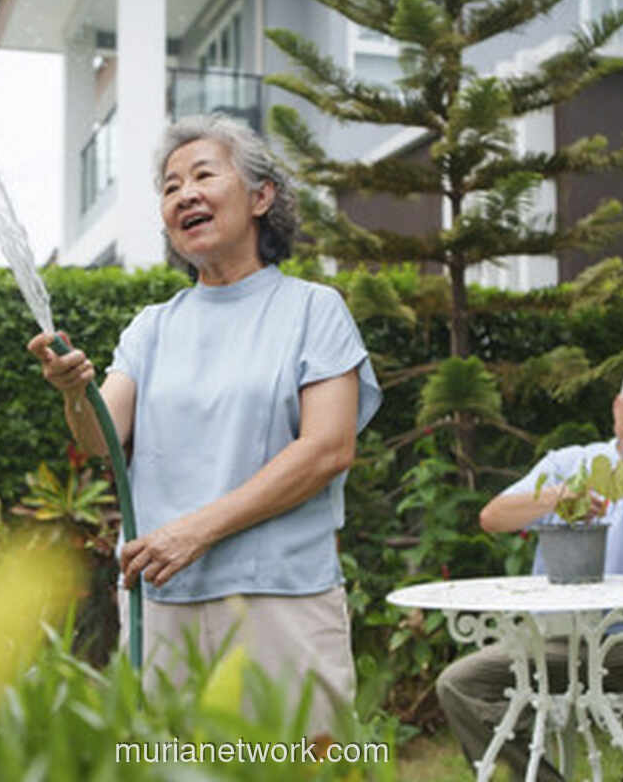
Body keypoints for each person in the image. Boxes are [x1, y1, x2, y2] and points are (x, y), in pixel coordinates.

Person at [27, 114, 381, 732]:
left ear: (261, 197)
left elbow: (328, 449)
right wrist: (71, 392)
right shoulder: (151, 327)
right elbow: (99, 438)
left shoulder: (312, 310)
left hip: (281, 598)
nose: (183, 193)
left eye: (203, 175)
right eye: (169, 186)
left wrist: (196, 532)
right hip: (164, 601)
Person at [435, 363, 623, 782]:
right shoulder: (569, 464)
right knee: (458, 684)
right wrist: (555, 498)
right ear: (617, 408)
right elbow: (492, 517)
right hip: (552, 638)